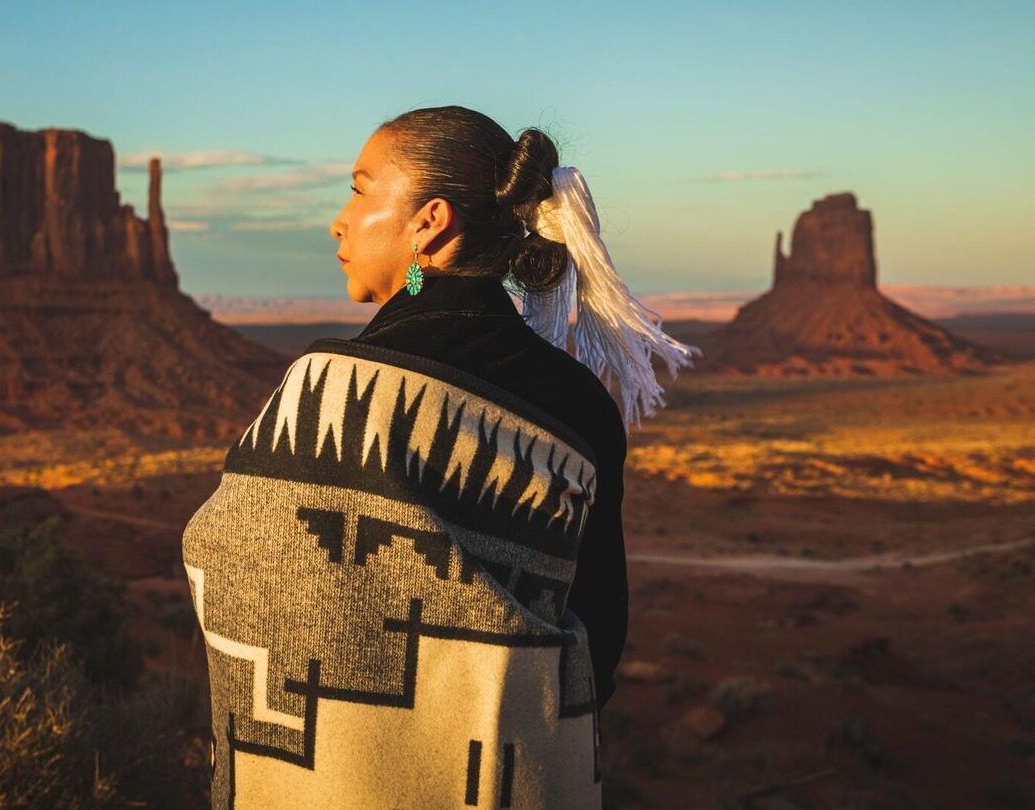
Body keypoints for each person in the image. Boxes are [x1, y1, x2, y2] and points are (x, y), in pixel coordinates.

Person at [181, 105, 699, 809]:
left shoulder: (326, 394)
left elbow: (224, 563)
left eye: (360, 189)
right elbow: (598, 648)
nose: (339, 220)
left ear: (430, 221)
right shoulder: (580, 405)